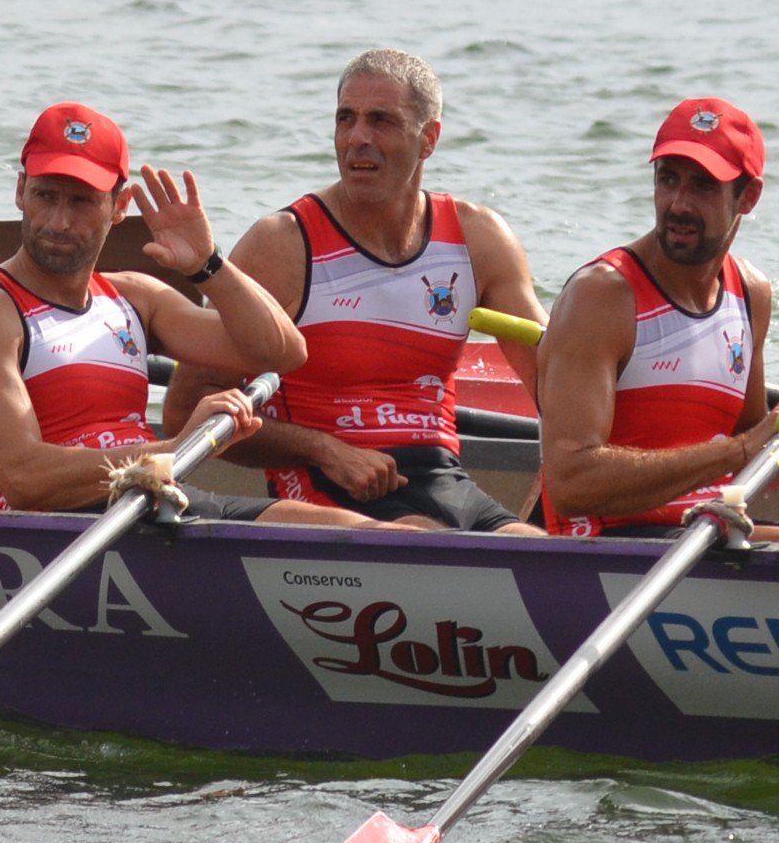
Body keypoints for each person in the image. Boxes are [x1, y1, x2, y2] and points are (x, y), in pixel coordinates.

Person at [0, 102, 380, 528]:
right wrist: (179, 447)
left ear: (120, 207)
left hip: (156, 506)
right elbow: (25, 481)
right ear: (21, 191)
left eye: (82, 201)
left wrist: (208, 265)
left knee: (376, 536)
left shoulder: (133, 297)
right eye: (46, 195)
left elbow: (282, 351)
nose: (59, 221)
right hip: (60, 531)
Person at [161, 48, 543, 531]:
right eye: (346, 119)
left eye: (381, 121)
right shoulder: (282, 244)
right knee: (430, 541)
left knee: (531, 543)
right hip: (325, 478)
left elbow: (554, 382)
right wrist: (323, 448)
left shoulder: (479, 238)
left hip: (442, 476)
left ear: (429, 139)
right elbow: (183, 413)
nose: (358, 138)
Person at [535, 99, 779, 543]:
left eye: (703, 186)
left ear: (748, 197)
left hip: (701, 529)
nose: (678, 204)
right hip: (604, 541)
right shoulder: (602, 297)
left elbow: (741, 461)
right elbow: (571, 483)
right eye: (668, 179)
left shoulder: (750, 293)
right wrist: (746, 447)